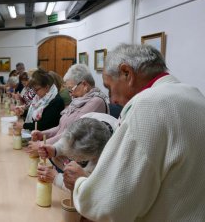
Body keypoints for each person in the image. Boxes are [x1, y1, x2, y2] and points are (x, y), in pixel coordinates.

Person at [63, 44, 205, 221]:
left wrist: (79, 184)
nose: (112, 99)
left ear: (126, 73)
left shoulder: (148, 104)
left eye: (109, 87)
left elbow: (112, 205)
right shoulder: (195, 95)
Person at [29, 64, 109, 152]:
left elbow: (72, 133)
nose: (70, 94)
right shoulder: (78, 100)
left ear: (84, 85)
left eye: (71, 89)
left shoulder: (96, 102)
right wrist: (43, 134)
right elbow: (61, 127)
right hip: (61, 151)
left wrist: (42, 144)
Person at [37, 112, 117, 191]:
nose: (74, 161)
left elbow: (90, 189)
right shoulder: (86, 119)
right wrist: (55, 149)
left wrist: (56, 178)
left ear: (94, 156)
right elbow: (70, 139)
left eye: (79, 158)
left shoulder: (112, 154)